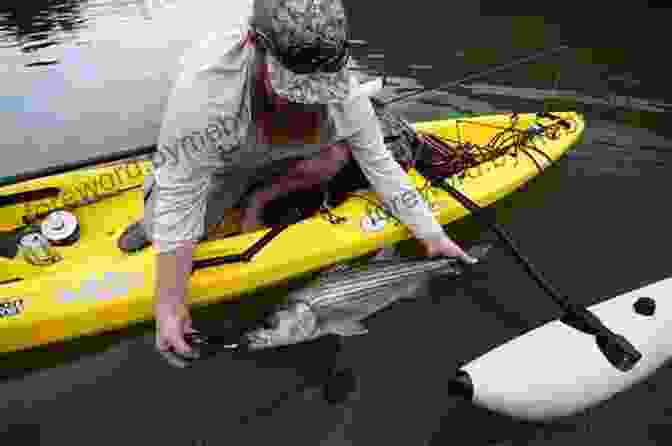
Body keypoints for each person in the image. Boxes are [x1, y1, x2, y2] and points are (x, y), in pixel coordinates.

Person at [119, 0, 478, 360]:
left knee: (346, 155)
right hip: (228, 162)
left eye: (320, 89)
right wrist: (169, 304)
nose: (308, 103)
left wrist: (432, 235)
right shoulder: (206, 94)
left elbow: (380, 166)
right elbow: (180, 195)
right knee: (169, 221)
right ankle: (159, 217)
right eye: (295, 88)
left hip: (297, 157)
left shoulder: (345, 94)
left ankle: (264, 195)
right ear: (254, 46)